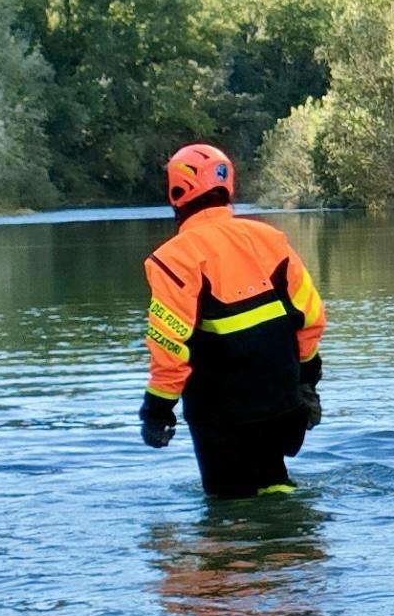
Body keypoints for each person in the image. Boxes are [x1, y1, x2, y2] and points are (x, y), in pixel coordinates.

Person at [138, 143, 326, 496]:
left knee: (229, 518)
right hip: (282, 406)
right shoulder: (271, 240)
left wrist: (157, 411)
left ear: (176, 191)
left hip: (223, 417)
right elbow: (311, 317)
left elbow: (169, 347)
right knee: (275, 486)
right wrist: (308, 382)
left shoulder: (172, 260)